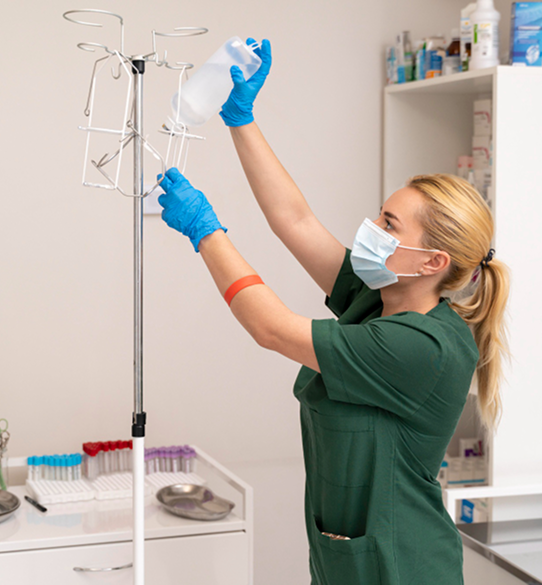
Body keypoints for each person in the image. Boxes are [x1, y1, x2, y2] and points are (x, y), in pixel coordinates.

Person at [157, 39, 510, 585]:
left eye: (389, 225)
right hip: (350, 557)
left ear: (433, 261)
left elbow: (271, 329)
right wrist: (241, 119)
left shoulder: (423, 347)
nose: (371, 229)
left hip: (404, 566)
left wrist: (206, 230)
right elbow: (295, 221)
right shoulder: (381, 296)